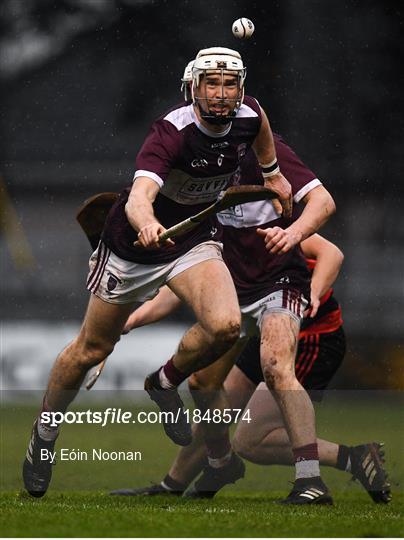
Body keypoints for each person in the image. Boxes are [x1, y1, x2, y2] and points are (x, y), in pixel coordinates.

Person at [22, 46, 296, 498]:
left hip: (193, 241)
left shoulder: (249, 115)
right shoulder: (171, 132)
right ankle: (44, 437)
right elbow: (138, 195)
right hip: (134, 248)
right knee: (90, 349)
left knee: (226, 326)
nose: (221, 95)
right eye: (211, 84)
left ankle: (165, 382)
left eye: (229, 85)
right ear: (193, 87)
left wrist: (272, 174)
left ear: (241, 88)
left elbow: (261, 129)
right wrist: (148, 224)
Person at [112, 234, 391, 504]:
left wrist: (312, 296)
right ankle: (174, 484)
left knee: (250, 441)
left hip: (312, 338)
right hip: (261, 330)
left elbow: (332, 253)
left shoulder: (265, 223)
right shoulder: (216, 234)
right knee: (208, 394)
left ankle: (352, 458)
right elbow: (175, 294)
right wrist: (128, 323)